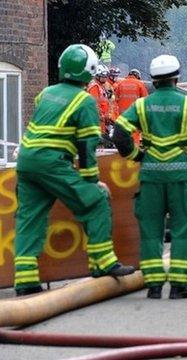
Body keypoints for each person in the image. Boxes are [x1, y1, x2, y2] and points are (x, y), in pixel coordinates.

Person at [13, 44, 135, 297]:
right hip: (51, 161)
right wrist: (92, 181)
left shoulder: (45, 93)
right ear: (89, 70)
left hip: (26, 160)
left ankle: (25, 281)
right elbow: (87, 145)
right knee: (96, 201)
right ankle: (103, 263)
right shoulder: (84, 101)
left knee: (30, 217)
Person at [112, 54, 187, 299]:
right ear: (176, 79)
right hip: (181, 176)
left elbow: (119, 133)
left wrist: (136, 155)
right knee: (183, 228)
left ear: (153, 80)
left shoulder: (141, 105)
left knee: (150, 230)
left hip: (150, 177)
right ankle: (180, 286)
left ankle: (154, 286)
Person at [114, 69, 148, 144]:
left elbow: (114, 100)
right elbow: (146, 101)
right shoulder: (140, 84)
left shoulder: (120, 84)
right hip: (135, 115)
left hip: (121, 116)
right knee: (134, 135)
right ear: (137, 76)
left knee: (123, 135)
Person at [87, 65, 111, 136]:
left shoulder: (101, 86)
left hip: (101, 120)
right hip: (97, 120)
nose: (105, 78)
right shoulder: (94, 87)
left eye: (106, 76)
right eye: (103, 76)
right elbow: (95, 104)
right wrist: (101, 116)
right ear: (97, 76)